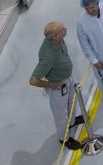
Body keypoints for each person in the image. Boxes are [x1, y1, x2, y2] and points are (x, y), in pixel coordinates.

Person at [28, 22, 83, 151]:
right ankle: (64, 138)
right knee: (60, 115)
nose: (65, 29)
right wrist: (52, 84)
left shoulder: (59, 41)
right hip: (58, 87)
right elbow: (33, 80)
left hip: (67, 78)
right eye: (62, 30)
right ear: (55, 37)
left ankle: (73, 121)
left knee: (72, 102)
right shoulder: (48, 56)